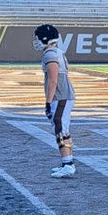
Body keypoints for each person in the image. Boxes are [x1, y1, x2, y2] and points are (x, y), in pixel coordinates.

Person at [33, 23, 76, 179]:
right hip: (64, 95)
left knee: (60, 130)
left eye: (37, 38)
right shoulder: (57, 52)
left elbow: (53, 80)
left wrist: (48, 101)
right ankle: (67, 162)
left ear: (45, 38)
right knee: (62, 129)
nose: (36, 41)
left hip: (60, 96)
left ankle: (68, 164)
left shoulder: (50, 55)